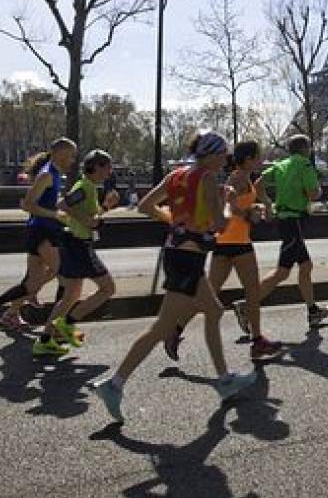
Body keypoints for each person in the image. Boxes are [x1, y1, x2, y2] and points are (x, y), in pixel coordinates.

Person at [93, 131, 257, 422]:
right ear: (209, 154)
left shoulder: (176, 174)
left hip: (178, 252)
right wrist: (233, 205)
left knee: (214, 310)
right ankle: (114, 383)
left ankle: (224, 379)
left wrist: (176, 222)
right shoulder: (207, 177)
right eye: (222, 154)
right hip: (189, 257)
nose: (225, 159)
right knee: (162, 327)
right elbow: (219, 225)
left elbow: (145, 205)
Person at [164, 140, 282, 362]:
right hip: (237, 241)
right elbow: (226, 205)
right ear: (247, 159)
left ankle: (175, 332)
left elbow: (235, 205)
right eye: (257, 157)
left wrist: (256, 207)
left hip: (224, 241)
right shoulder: (238, 178)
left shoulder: (244, 178)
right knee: (253, 292)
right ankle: (257, 342)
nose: (260, 161)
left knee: (208, 295)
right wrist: (248, 214)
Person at [232, 135, 328, 332]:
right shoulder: (304, 165)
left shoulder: (280, 165)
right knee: (282, 272)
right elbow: (313, 194)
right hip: (294, 221)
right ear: (306, 149)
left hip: (285, 220)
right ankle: (245, 306)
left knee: (306, 266)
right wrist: (318, 191)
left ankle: (313, 311)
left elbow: (258, 184)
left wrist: (269, 203)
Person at [33, 150, 120, 356]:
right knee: (108, 289)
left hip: (74, 243)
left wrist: (106, 208)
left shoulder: (89, 187)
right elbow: (63, 205)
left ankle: (44, 341)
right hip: (79, 245)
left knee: (71, 295)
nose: (110, 171)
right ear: (96, 167)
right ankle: (68, 323)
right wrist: (88, 221)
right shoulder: (84, 186)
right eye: (107, 166)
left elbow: (93, 216)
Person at [0, 138, 77, 330]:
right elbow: (27, 204)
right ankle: (56, 328)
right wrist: (55, 214)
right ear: (60, 154)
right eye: (70, 155)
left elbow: (45, 202)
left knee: (32, 285)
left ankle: (10, 314)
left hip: (42, 231)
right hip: (43, 232)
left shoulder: (55, 174)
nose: (73, 160)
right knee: (67, 279)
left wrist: (62, 208)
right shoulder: (47, 175)